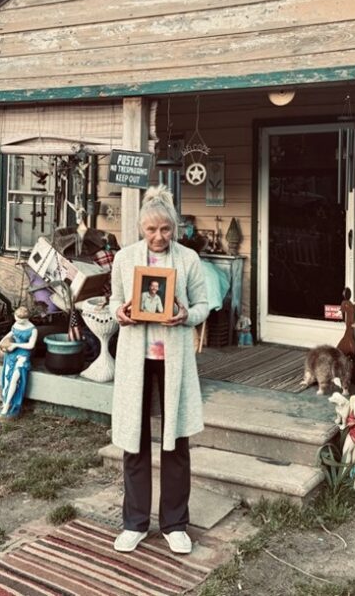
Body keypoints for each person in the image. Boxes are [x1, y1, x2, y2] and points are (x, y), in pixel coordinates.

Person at [109, 185, 209, 555]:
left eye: (165, 229)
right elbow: (115, 302)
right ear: (141, 229)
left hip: (174, 358)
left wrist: (186, 316)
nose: (158, 237)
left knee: (176, 438)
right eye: (151, 230)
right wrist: (120, 313)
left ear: (175, 227)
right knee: (134, 439)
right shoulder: (125, 259)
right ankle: (134, 522)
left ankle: (174, 524)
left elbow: (203, 305)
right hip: (137, 360)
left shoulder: (188, 260)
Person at [0, 306, 38, 418]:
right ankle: (6, 401)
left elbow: (31, 345)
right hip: (11, 353)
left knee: (14, 379)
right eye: (17, 318)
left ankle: (7, 406)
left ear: (27, 318)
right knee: (7, 378)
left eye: (21, 320)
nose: (18, 322)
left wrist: (15, 344)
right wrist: (2, 343)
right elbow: (11, 333)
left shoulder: (33, 329)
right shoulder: (16, 324)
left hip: (23, 355)